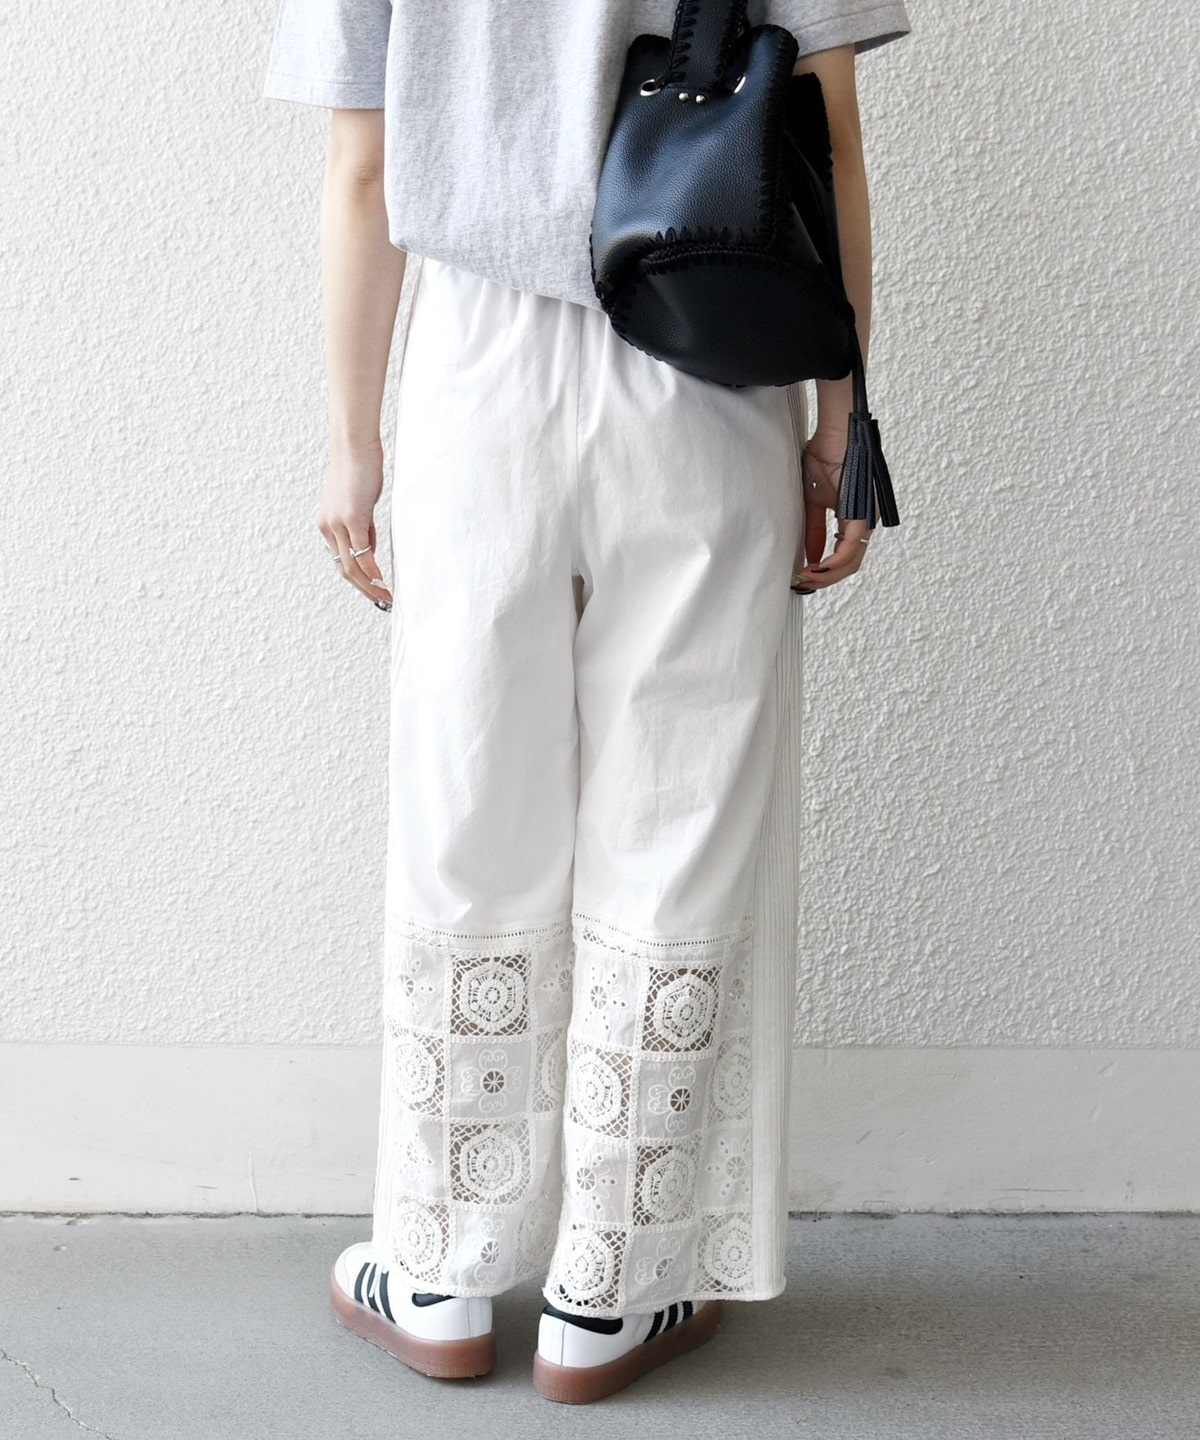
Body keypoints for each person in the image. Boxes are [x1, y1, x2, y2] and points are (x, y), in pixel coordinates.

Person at [262, 0, 911, 1405]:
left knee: (468, 803)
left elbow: (364, 169)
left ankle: (438, 1270)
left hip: (474, 379)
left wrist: (353, 445)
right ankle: (610, 1288)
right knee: (680, 816)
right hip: (705, 350)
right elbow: (831, 143)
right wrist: (840, 423)